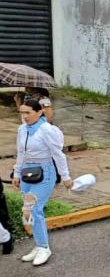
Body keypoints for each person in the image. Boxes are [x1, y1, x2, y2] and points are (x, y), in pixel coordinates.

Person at [12, 100, 74, 266]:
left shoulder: (47, 130)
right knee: (28, 212)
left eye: (28, 113)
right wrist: (16, 173)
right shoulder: (22, 129)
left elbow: (58, 154)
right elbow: (20, 153)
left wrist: (66, 176)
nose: (24, 117)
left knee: (34, 209)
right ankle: (38, 245)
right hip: (27, 172)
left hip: (44, 172)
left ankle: (44, 248)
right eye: (22, 113)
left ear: (39, 112)